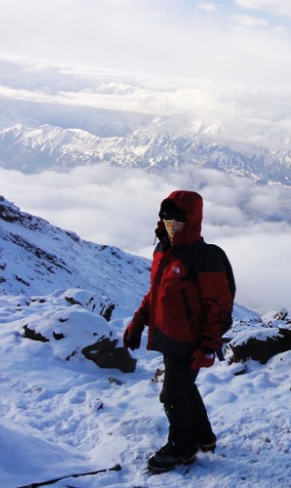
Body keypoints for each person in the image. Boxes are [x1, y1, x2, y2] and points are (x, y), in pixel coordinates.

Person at [123, 190, 234, 473]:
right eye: (166, 215)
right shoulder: (163, 250)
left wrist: (208, 346)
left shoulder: (203, 257)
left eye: (178, 217)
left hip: (190, 340)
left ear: (193, 219)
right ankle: (203, 437)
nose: (171, 221)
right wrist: (138, 323)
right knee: (183, 387)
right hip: (169, 336)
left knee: (172, 395)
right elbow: (155, 294)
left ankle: (182, 447)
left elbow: (217, 306)